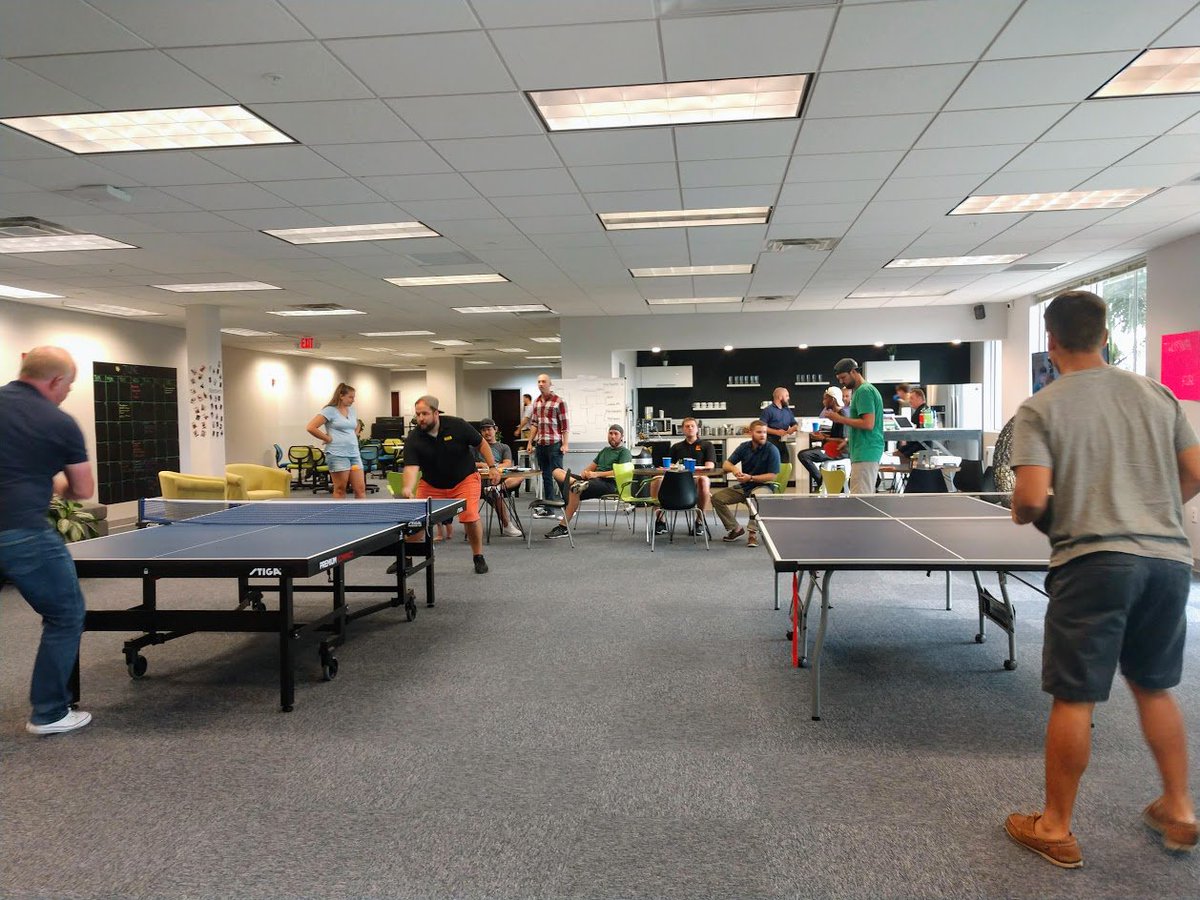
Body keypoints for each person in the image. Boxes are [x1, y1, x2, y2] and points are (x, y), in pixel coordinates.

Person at [1005, 290, 1200, 868]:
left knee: (1075, 695)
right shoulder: (1156, 393)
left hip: (1095, 563)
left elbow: (1031, 499)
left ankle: (1055, 827)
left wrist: (1030, 511)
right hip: (1169, 561)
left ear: (1051, 342)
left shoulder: (1043, 406)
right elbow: (1194, 473)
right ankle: (1181, 807)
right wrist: (1152, 509)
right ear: (1106, 335)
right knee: (1154, 684)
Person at [0, 347, 95, 735]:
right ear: (55, 381)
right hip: (22, 530)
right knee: (65, 615)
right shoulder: (58, 421)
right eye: (69, 387)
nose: (67, 394)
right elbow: (81, 488)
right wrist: (49, 479)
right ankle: (50, 713)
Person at [399, 395, 501, 574]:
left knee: (469, 516)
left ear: (436, 413)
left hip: (464, 479)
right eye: (417, 414)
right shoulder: (415, 437)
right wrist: (408, 487)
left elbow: (481, 444)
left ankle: (478, 556)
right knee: (416, 521)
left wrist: (492, 467)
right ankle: (406, 558)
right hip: (431, 484)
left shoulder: (457, 425)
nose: (420, 418)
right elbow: (411, 467)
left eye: (424, 413)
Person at [545, 424, 630, 539]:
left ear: (622, 437)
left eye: (616, 434)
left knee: (575, 489)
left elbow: (619, 472)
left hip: (609, 484)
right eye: (610, 433)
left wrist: (596, 474)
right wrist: (585, 473)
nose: (612, 436)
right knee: (557, 471)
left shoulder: (624, 452)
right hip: (593, 481)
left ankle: (563, 527)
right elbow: (589, 468)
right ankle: (577, 483)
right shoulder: (605, 450)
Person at [711, 419, 780, 548]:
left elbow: (773, 476)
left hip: (764, 486)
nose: (763, 435)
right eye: (759, 432)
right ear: (750, 433)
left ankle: (752, 534)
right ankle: (736, 528)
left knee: (756, 498)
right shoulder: (744, 447)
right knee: (716, 498)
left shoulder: (772, 450)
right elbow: (727, 464)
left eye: (764, 432)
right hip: (745, 486)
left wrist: (751, 478)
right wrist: (735, 469)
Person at [823, 358, 884, 495]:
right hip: (862, 451)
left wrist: (840, 418)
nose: (841, 382)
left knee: (861, 500)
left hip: (866, 451)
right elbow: (862, 422)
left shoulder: (864, 392)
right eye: (839, 379)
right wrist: (849, 441)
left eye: (843, 377)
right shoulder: (861, 391)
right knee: (861, 497)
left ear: (853, 372)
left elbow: (868, 424)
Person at [651, 416, 716, 535]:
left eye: (692, 426)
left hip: (696, 478)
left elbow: (710, 466)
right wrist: (668, 467)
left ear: (697, 429)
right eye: (687, 426)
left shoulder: (707, 445)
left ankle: (699, 521)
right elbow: (670, 465)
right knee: (656, 480)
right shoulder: (676, 447)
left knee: (704, 480)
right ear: (683, 429)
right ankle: (661, 521)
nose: (690, 428)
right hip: (677, 479)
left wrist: (690, 467)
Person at [306, 382, 366, 499]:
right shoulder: (329, 410)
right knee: (340, 489)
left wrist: (354, 435)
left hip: (354, 453)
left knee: (360, 489)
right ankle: (339, 516)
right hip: (337, 454)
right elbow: (311, 427)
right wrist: (327, 438)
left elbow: (357, 424)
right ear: (341, 396)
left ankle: (361, 515)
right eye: (350, 397)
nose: (353, 400)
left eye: (354, 397)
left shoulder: (352, 410)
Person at [474, 417, 523, 538]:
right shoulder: (475, 447)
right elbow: (469, 463)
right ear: (481, 432)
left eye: (489, 429)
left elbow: (507, 464)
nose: (487, 432)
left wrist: (493, 466)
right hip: (481, 482)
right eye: (484, 430)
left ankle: (497, 488)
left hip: (501, 480)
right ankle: (507, 525)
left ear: (495, 430)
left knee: (520, 476)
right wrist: (483, 465)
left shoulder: (503, 447)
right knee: (496, 493)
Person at [526, 373, 568, 509]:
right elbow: (534, 424)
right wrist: (530, 442)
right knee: (546, 477)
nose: (541, 384)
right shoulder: (536, 402)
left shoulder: (559, 401)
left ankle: (568, 506)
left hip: (555, 445)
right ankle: (549, 508)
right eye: (538, 381)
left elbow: (565, 426)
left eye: (544, 381)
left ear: (550, 384)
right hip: (541, 445)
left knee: (559, 476)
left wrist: (565, 444)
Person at [796, 386, 851, 489]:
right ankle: (826, 483)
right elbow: (837, 436)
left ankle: (822, 483)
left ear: (833, 400)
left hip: (839, 451)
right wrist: (823, 436)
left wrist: (823, 439)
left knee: (803, 455)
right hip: (833, 449)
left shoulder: (842, 415)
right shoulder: (838, 414)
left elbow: (843, 440)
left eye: (825, 399)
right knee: (805, 453)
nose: (823, 402)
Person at [896, 386, 932, 461]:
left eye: (912, 398)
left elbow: (917, 438)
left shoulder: (920, 413)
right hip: (923, 446)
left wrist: (903, 451)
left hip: (919, 448)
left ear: (919, 398)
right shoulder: (926, 410)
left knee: (898, 456)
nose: (909, 401)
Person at [761, 387, 798, 454]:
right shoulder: (768, 410)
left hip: (783, 443)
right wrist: (776, 432)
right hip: (770, 443)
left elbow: (794, 423)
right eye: (786, 396)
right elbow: (761, 427)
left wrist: (793, 428)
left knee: (786, 463)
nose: (788, 398)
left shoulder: (788, 410)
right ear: (780, 397)